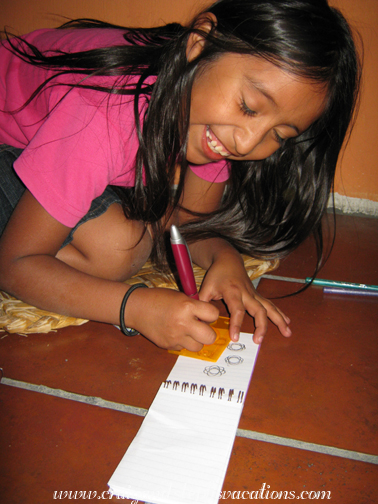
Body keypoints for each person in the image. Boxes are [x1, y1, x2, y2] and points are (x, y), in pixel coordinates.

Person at [0, 0, 360, 350]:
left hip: (54, 136)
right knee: (115, 250)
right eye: (249, 107)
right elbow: (15, 264)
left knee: (132, 236)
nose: (247, 143)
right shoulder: (102, 111)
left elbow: (187, 222)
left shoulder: (213, 121)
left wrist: (224, 256)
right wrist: (134, 308)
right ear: (199, 43)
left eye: (279, 135)